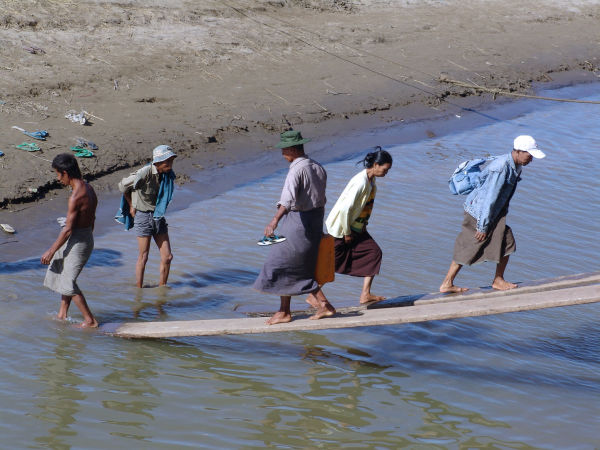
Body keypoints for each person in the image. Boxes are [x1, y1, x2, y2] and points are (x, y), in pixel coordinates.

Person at [440, 135, 546, 293]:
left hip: (492, 213)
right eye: (529, 155)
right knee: (469, 244)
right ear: (518, 151)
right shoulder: (501, 168)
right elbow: (489, 199)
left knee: (507, 241)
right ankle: (447, 283)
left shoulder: (515, 164)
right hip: (479, 213)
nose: (531, 159)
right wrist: (482, 226)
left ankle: (498, 280)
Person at [253, 130, 336, 324]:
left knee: (278, 263)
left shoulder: (296, 170)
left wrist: (274, 221)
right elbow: (321, 198)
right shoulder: (317, 166)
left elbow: (288, 200)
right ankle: (284, 311)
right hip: (315, 221)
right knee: (296, 266)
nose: (283, 154)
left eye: (284, 150)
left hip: (299, 222)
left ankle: (323, 305)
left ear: (291, 149)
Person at [325, 147, 392, 304]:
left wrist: (363, 225)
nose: (386, 173)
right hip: (341, 228)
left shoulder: (370, 181)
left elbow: (363, 207)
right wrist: (347, 232)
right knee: (332, 264)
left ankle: (365, 294)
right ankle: (314, 295)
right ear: (375, 165)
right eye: (385, 169)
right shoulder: (360, 183)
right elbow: (344, 210)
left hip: (357, 227)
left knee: (374, 252)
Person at [41, 153, 98, 328]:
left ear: (65, 173)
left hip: (78, 240)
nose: (58, 179)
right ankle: (62, 314)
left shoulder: (76, 196)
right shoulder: (88, 187)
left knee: (68, 282)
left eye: (58, 174)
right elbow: (92, 218)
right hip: (84, 236)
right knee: (64, 274)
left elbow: (67, 230)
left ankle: (90, 321)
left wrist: (50, 251)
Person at [118, 145, 176, 288]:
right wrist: (131, 204)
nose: (169, 165)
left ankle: (162, 289)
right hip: (143, 216)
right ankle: (139, 289)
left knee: (167, 257)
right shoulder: (144, 172)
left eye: (171, 161)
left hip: (158, 215)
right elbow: (123, 186)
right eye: (166, 162)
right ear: (157, 162)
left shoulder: (167, 174)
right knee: (144, 256)